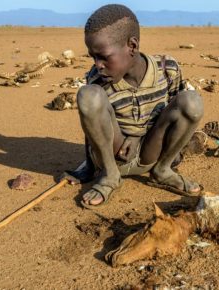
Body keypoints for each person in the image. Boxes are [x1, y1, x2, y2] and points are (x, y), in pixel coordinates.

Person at [63, 4, 204, 208]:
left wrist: (140, 137)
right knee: (88, 95)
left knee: (192, 101)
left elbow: (175, 114)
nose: (98, 64)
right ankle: (110, 177)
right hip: (115, 157)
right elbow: (92, 128)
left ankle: (163, 171)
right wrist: (87, 169)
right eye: (93, 57)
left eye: (103, 56)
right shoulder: (97, 79)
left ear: (132, 46)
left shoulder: (167, 70)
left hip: (151, 154)